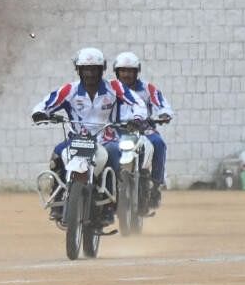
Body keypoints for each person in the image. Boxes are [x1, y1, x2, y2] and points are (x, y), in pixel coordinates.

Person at [32, 47, 144, 222]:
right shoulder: (69, 90)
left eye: (94, 69)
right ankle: (59, 198)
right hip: (77, 141)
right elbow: (47, 102)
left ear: (102, 70)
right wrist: (40, 113)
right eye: (85, 69)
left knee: (115, 154)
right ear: (79, 70)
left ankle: (109, 205)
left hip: (106, 140)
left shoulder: (114, 87)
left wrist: (137, 118)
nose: (90, 73)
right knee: (58, 153)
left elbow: (137, 102)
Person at [112, 51, 173, 208]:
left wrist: (164, 113)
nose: (126, 74)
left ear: (136, 72)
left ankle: (156, 185)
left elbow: (161, 104)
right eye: (123, 71)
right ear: (117, 72)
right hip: (116, 130)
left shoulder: (147, 88)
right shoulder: (110, 88)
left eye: (130, 71)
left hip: (143, 129)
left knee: (158, 143)